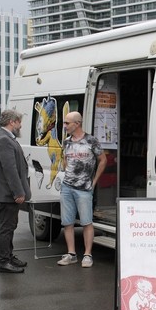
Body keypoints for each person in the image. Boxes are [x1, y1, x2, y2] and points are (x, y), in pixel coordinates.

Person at [57, 111, 106, 268]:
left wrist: (94, 181)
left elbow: (103, 160)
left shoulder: (91, 140)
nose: (64, 126)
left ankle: (87, 255)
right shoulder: (66, 142)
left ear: (77, 124)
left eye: (67, 123)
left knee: (86, 221)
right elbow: (65, 160)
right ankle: (71, 254)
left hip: (84, 188)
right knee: (67, 222)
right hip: (67, 187)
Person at [0, 109, 31, 274]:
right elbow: (10, 170)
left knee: (9, 226)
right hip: (5, 193)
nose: (20, 125)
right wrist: (18, 193)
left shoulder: (4, 137)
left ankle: (8, 256)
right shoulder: (4, 139)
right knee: (6, 227)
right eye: (19, 122)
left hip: (5, 192)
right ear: (12, 122)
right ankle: (4, 262)